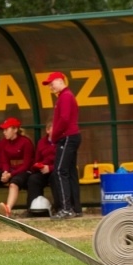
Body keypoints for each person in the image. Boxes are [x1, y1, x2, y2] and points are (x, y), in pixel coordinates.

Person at [43, 71, 82, 219]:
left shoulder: (65, 97)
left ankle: (66, 208)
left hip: (67, 137)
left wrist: (55, 135)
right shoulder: (66, 96)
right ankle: (75, 207)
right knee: (70, 172)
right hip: (72, 136)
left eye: (52, 83)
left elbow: (64, 119)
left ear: (60, 81)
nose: (51, 87)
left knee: (59, 171)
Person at [0, 117, 34, 218]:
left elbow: (26, 165)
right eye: (3, 130)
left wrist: (10, 174)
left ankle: (8, 208)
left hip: (25, 172)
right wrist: (5, 173)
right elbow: (5, 162)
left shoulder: (25, 142)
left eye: (7, 129)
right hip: (11, 171)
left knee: (14, 183)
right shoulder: (4, 143)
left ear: (15, 130)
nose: (4, 132)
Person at [26, 119, 57, 214]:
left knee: (55, 178)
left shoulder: (61, 142)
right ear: (47, 130)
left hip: (55, 170)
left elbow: (63, 162)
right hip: (43, 170)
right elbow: (37, 160)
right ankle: (32, 208)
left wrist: (50, 168)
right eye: (54, 128)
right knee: (33, 179)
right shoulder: (41, 142)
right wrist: (38, 166)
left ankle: (58, 207)